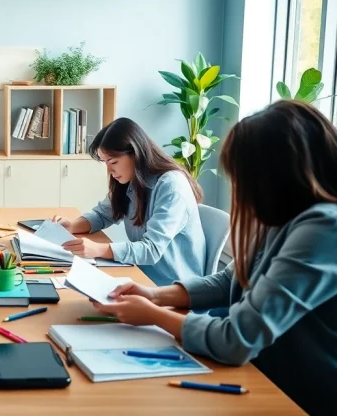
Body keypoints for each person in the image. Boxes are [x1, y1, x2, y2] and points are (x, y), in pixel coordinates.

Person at [92, 100, 337, 416]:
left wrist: (154, 314)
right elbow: (230, 279)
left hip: (298, 394)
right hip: (260, 373)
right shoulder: (287, 216)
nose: (241, 187)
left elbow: (238, 338)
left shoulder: (323, 228)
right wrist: (154, 295)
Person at [53, 117, 206, 285]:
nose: (110, 170)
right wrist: (72, 226)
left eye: (113, 162)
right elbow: (102, 215)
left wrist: (98, 249)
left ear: (135, 153)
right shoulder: (131, 179)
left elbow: (151, 250)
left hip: (173, 287)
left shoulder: (171, 186)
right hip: (139, 274)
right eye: (105, 163)